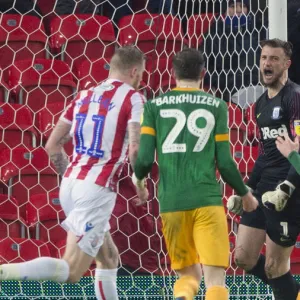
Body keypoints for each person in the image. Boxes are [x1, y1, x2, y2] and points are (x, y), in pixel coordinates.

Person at [0, 46, 146, 300]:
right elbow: (135, 148)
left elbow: (52, 144)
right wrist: (141, 183)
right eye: (142, 73)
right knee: (71, 271)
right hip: (96, 190)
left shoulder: (83, 95)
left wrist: (74, 179)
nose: (141, 78)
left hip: (70, 183)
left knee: (109, 258)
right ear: (134, 71)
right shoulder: (133, 98)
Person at [131, 48, 258, 300]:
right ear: (203, 73)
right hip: (207, 201)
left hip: (172, 202)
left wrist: (140, 181)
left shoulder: (153, 107)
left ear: (173, 72)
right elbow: (225, 162)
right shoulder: (217, 106)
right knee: (214, 279)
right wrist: (245, 194)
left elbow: (144, 159)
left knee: (188, 277)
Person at [227, 39, 300, 300]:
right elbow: (264, 154)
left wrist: (287, 187)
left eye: (274, 59)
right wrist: (245, 187)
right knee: (243, 258)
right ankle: (290, 291)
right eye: (264, 58)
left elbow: (299, 151)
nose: (267, 64)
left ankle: (288, 292)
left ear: (287, 64)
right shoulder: (259, 105)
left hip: (289, 192)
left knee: (274, 267)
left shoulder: (295, 98)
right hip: (262, 190)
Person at [202, 0, 260, 101]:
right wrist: (225, 80)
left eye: (242, 6)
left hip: (256, 81)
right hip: (229, 84)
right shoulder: (214, 35)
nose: (238, 10)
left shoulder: (256, 31)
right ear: (224, 10)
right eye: (232, 6)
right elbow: (205, 66)